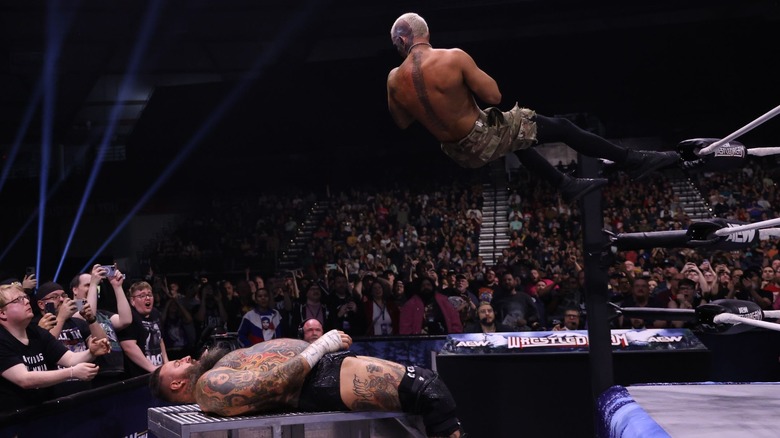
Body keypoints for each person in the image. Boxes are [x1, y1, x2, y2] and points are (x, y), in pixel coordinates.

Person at [386, 13, 680, 202]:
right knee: (560, 127)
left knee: (515, 138)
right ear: (425, 31)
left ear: (401, 39)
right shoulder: (452, 57)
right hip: (481, 135)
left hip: (459, 153)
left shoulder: (394, 79)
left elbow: (401, 122)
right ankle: (633, 161)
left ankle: (565, 184)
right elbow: (494, 95)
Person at [150, 331, 463, 437]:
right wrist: (320, 346)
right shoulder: (208, 388)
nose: (186, 357)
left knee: (423, 400)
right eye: (176, 364)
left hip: (323, 369)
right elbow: (271, 383)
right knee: (427, 390)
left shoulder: (212, 373)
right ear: (176, 386)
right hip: (317, 380)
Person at [0, 282, 110, 411]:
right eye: (18, 300)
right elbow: (24, 379)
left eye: (25, 297)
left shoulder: (36, 332)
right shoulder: (2, 339)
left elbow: (70, 359)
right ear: (2, 313)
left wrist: (91, 352)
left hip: (43, 410)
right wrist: (71, 373)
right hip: (13, 418)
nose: (25, 301)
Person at [117, 281, 168, 376]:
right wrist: (152, 369)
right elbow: (128, 347)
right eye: (142, 296)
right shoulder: (130, 317)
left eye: (149, 295)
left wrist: (166, 364)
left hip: (159, 372)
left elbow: (160, 340)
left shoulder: (155, 313)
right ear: (132, 300)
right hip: (140, 375)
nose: (147, 298)